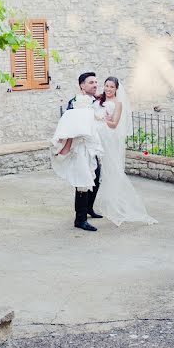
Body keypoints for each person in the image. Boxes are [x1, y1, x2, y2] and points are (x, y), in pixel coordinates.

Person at [93, 77, 157, 226]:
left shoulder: (118, 103)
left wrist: (102, 119)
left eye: (111, 87)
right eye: (106, 86)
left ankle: (118, 204)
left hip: (108, 137)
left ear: (116, 89)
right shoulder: (99, 99)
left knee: (112, 169)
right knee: (99, 169)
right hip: (96, 135)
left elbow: (114, 124)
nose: (108, 89)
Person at [50, 72, 105, 232]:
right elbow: (71, 125)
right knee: (82, 182)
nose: (95, 85)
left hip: (92, 146)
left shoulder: (96, 101)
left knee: (96, 178)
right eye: (91, 82)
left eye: (96, 82)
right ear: (82, 86)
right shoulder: (74, 103)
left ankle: (88, 209)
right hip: (79, 147)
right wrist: (66, 147)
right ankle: (79, 219)